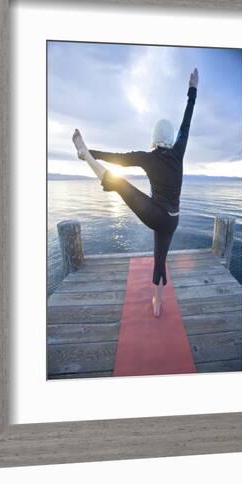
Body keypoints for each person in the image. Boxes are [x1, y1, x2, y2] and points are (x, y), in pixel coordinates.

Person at [72, 68, 199, 317]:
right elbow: (187, 121)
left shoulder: (147, 157)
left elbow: (119, 159)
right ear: (171, 139)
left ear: (153, 138)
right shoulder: (178, 151)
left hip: (156, 215)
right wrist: (192, 89)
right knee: (160, 259)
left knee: (120, 185)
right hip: (173, 220)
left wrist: (94, 153)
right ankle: (157, 302)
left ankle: (84, 154)